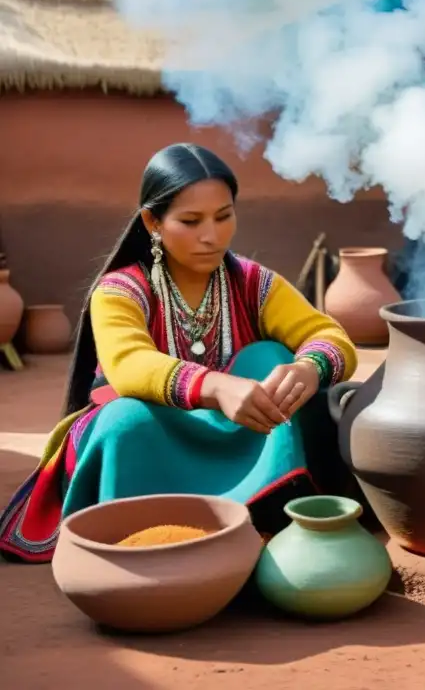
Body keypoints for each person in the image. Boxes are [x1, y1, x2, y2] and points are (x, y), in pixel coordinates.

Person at [0, 143, 358, 563]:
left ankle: (267, 520)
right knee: (122, 420)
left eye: (224, 216)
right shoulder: (121, 290)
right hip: (157, 432)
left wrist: (310, 367)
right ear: (153, 221)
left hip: (242, 432)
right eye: (191, 221)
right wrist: (216, 386)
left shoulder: (253, 283)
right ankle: (144, 541)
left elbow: (328, 334)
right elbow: (129, 365)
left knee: (270, 360)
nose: (212, 235)